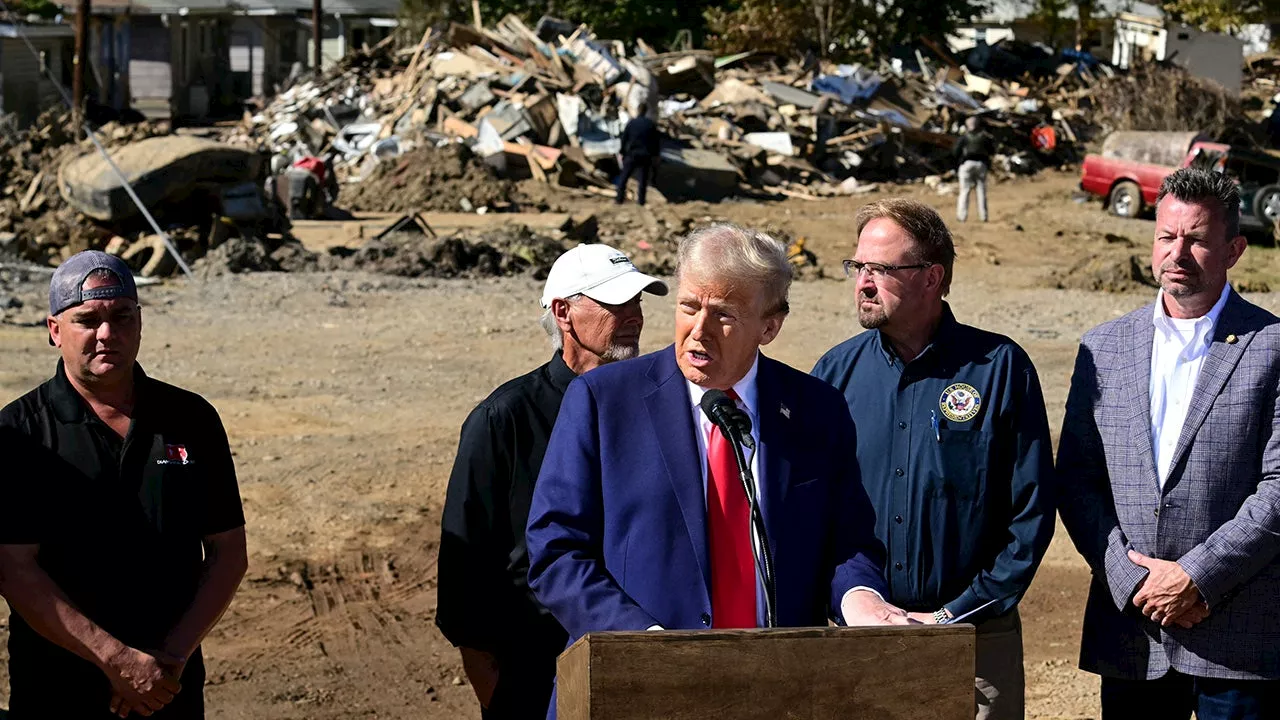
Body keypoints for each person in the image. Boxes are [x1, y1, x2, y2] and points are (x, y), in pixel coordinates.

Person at [526, 223, 906, 718]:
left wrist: (859, 597)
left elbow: (849, 539)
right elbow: (556, 550)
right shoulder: (603, 401)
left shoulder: (816, 410)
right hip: (636, 690)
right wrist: (645, 643)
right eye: (688, 307)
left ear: (769, 327)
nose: (698, 331)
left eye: (724, 315)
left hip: (776, 693)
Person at [811, 198, 1055, 720]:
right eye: (858, 267)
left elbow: (1030, 512)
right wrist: (855, 604)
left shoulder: (999, 368)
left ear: (931, 277)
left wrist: (957, 611)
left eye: (881, 269)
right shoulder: (834, 374)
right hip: (861, 636)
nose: (863, 282)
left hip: (974, 641)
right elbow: (814, 512)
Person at [1057, 167, 1280, 719]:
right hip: (1133, 636)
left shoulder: (1272, 346)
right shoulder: (1103, 348)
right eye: (1166, 236)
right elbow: (1077, 478)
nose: (1176, 252)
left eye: (1197, 238)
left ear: (1234, 249)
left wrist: (1197, 578)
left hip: (1237, 639)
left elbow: (1278, 489)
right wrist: (1132, 579)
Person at [0, 251, 248, 719]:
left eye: (121, 316)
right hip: (57, 690)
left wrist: (167, 659)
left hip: (166, 688)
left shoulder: (190, 419)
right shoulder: (19, 434)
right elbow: (13, 569)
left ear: (140, 321)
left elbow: (228, 550)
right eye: (87, 320)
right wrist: (118, 662)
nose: (106, 334)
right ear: (55, 330)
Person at [436, 243, 668, 719]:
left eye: (637, 302)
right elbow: (465, 572)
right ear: (564, 312)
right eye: (615, 303)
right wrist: (495, 689)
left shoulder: (660, 407)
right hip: (535, 674)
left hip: (640, 658)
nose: (634, 316)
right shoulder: (504, 419)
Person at [615, 101, 662, 206]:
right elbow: (655, 141)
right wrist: (656, 155)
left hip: (632, 154)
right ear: (645, 111)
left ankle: (619, 199)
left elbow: (624, 138)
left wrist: (622, 151)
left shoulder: (632, 123)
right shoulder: (650, 124)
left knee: (624, 177)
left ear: (638, 110)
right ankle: (641, 201)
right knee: (643, 180)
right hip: (645, 155)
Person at [954, 116, 994, 223]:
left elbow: (955, 152)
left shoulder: (964, 137)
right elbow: (991, 150)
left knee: (964, 191)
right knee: (981, 191)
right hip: (981, 165)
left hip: (966, 164)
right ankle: (983, 216)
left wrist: (957, 164)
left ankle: (962, 216)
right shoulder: (984, 137)